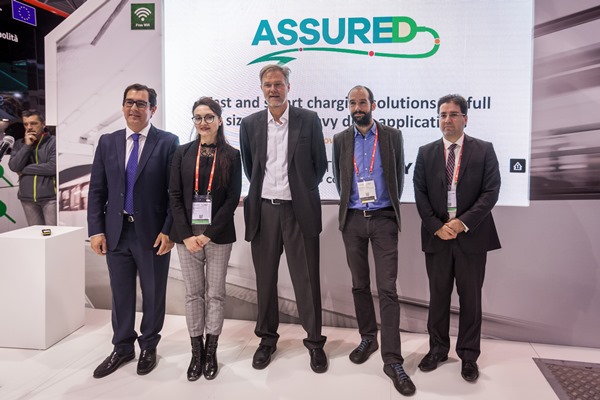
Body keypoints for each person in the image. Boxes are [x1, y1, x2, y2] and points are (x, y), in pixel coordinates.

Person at [239, 64, 328, 373]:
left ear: (288, 87)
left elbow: (319, 165)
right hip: (263, 211)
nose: (273, 89)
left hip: (298, 211)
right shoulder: (250, 124)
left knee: (307, 281)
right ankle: (267, 340)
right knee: (265, 280)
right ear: (262, 89)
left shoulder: (308, 120)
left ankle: (314, 342)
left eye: (278, 84)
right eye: (268, 85)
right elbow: (250, 167)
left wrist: (300, 191)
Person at [87, 83, 179, 378]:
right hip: (116, 232)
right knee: (121, 294)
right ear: (123, 106)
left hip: (153, 234)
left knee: (153, 293)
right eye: (129, 102)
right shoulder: (108, 142)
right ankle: (123, 347)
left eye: (141, 103)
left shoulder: (168, 142)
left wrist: (169, 230)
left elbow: (174, 192)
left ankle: (149, 345)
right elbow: (97, 190)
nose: (134, 108)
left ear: (153, 109)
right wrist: (96, 230)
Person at [332, 86, 415, 396]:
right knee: (359, 285)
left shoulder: (392, 136)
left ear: (373, 105)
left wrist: (384, 209)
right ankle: (368, 338)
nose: (357, 107)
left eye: (362, 102)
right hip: (353, 219)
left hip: (383, 219)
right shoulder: (341, 139)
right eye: (352, 103)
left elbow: (397, 178)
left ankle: (392, 360)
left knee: (388, 290)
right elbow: (340, 180)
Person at [413, 94, 501, 382]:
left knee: (471, 300)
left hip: (471, 238)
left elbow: (491, 192)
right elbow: (420, 193)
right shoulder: (426, 152)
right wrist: (436, 226)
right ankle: (437, 350)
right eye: (442, 115)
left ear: (465, 118)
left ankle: (468, 356)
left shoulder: (484, 150)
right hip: (437, 238)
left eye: (453, 114)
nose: (447, 120)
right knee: (438, 298)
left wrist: (462, 223)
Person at [169, 97, 242, 381]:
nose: (203, 122)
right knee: (192, 295)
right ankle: (196, 353)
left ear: (220, 120)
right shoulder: (182, 153)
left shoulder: (232, 155)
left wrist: (208, 235)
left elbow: (232, 199)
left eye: (209, 117)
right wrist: (187, 235)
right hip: (187, 237)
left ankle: (211, 352)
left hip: (218, 236)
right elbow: (175, 195)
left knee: (215, 294)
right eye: (198, 117)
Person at [8, 110, 57, 226]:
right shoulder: (19, 144)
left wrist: (23, 169)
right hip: (27, 199)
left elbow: (52, 167)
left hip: (50, 198)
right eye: (26, 124)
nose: (29, 127)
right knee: (35, 234)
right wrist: (27, 146)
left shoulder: (53, 142)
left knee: (54, 233)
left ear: (43, 124)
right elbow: (14, 166)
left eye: (34, 123)